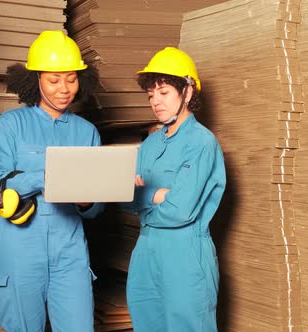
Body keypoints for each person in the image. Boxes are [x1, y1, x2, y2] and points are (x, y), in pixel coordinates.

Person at [0, 30, 103, 332]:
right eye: (54, 79)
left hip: (70, 255)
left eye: (71, 79)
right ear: (35, 79)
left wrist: (88, 201)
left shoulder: (86, 132)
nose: (64, 89)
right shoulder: (10, 125)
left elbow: (96, 207)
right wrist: (43, 178)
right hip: (20, 254)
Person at [124, 47, 226, 331]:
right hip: (145, 250)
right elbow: (123, 198)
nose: (156, 101)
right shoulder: (150, 145)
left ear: (188, 92)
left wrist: (142, 195)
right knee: (146, 324)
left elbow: (180, 210)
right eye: (151, 95)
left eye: (164, 92)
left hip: (185, 252)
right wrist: (156, 194)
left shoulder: (202, 143)